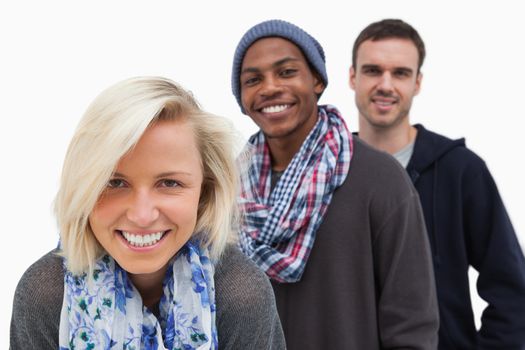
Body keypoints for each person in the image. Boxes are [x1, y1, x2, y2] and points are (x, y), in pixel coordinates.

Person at [10, 77, 285, 350]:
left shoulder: (240, 294)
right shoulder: (45, 294)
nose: (142, 216)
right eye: (115, 183)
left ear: (205, 190)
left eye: (169, 183)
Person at [231, 19, 439, 349]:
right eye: (253, 79)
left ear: (317, 79)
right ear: (242, 97)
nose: (269, 87)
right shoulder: (227, 188)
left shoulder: (380, 179)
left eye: (286, 72)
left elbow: (412, 322)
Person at [350, 18, 525, 349]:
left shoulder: (461, 171)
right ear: (352, 77)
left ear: (417, 82)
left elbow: (512, 292)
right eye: (373, 70)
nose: (385, 84)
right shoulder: (327, 171)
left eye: (400, 73)